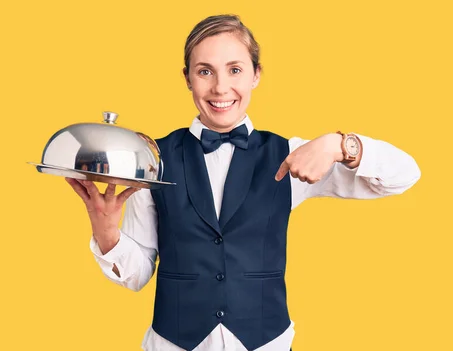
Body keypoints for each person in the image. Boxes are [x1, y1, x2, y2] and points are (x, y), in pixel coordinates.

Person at [66, 14, 421, 351]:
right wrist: (106, 233)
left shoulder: (291, 155)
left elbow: (404, 176)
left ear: (256, 75)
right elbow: (138, 275)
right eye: (205, 71)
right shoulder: (153, 159)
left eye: (235, 69)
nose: (221, 87)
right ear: (187, 77)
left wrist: (339, 144)